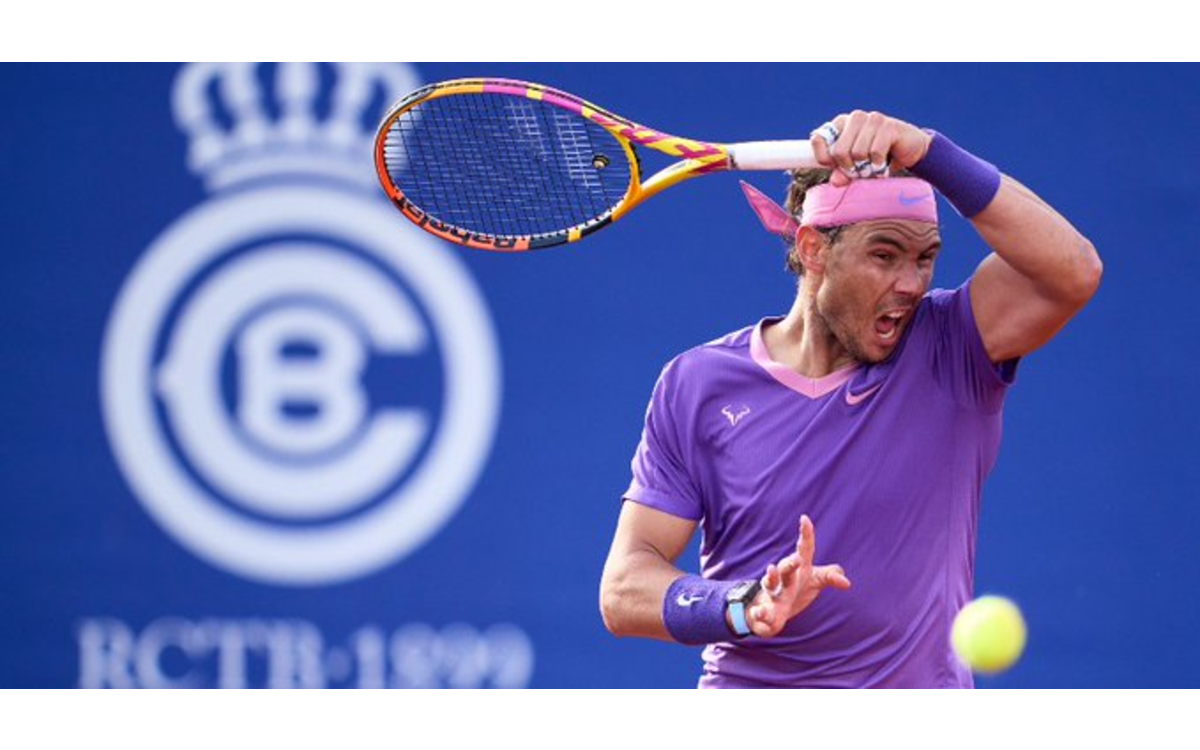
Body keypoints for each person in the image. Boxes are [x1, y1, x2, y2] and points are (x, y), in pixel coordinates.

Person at [599, 111, 1103, 689]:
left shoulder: (954, 346)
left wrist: (928, 152)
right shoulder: (697, 384)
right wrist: (742, 604)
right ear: (814, 250)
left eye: (925, 257)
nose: (911, 283)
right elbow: (624, 588)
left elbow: (1073, 271)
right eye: (884, 256)